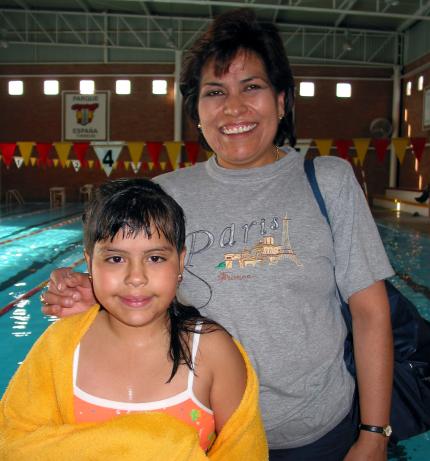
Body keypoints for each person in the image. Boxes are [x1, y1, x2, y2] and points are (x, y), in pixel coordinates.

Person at [41, 9, 394, 461]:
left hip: (316, 434)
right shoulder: (166, 193)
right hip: (205, 434)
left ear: (282, 100)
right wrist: (95, 297)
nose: (234, 108)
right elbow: (141, 289)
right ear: (197, 111)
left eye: (252, 87)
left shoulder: (328, 181)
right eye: (215, 92)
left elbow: (370, 313)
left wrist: (374, 433)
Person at [0, 178, 268, 461]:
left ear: (181, 261)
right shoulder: (61, 346)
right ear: (89, 263)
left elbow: (244, 451)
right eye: (116, 259)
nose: (136, 277)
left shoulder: (213, 352)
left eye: (155, 258)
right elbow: (13, 441)